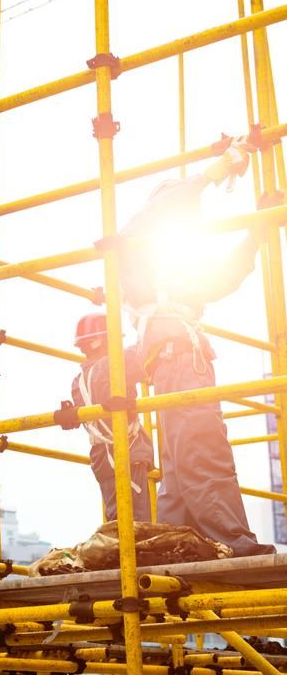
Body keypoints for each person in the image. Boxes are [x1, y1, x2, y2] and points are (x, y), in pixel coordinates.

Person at [117, 138, 276, 556]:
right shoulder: (138, 240)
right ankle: (232, 540)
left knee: (179, 459)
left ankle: (179, 543)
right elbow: (166, 206)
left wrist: (256, 231)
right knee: (201, 444)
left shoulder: (167, 274)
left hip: (174, 351)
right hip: (176, 352)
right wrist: (216, 170)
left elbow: (223, 277)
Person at [67, 312, 154, 523]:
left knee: (116, 516)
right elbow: (143, 362)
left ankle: (122, 554)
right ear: (98, 341)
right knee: (137, 519)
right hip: (126, 449)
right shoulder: (113, 364)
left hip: (101, 456)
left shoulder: (78, 381)